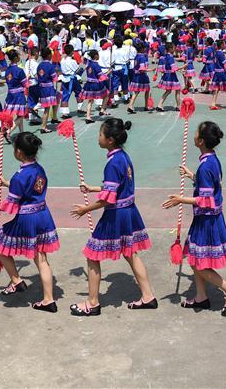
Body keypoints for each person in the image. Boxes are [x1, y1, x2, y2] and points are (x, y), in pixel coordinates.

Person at [70, 119, 156, 315]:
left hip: (116, 215)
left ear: (109, 140)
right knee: (131, 253)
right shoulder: (124, 157)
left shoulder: (112, 163)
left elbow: (109, 199)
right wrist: (94, 188)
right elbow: (117, 188)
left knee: (92, 255)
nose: (97, 138)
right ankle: (148, 296)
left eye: (100, 134)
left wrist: (86, 209)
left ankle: (92, 303)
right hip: (129, 212)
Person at [162, 121, 226, 315]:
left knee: (198, 261)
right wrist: (192, 175)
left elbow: (205, 199)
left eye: (196, 132)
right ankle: (201, 297)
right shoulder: (211, 160)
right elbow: (211, 186)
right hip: (207, 219)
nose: (194, 135)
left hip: (206, 221)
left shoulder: (206, 166)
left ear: (200, 140)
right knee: (193, 257)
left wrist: (180, 199)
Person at [0, 132, 60, 313]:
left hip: (27, 220)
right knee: (41, 259)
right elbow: (29, 189)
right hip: (43, 215)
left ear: (18, 152)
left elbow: (11, 205)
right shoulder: (39, 169)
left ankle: (16, 280)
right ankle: (48, 299)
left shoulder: (20, 176)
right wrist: (8, 184)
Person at [79, 49, 108, 123]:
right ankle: (102, 109)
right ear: (95, 56)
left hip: (89, 83)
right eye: (98, 54)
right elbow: (101, 77)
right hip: (96, 84)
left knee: (90, 100)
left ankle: (88, 116)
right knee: (106, 95)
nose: (99, 56)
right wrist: (108, 72)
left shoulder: (89, 64)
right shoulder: (96, 65)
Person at [35, 48, 59, 133]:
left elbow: (37, 76)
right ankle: (44, 127)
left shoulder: (39, 65)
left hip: (41, 88)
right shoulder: (50, 66)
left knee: (57, 98)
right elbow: (55, 78)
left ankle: (54, 118)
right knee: (47, 109)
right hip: (48, 88)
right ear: (49, 55)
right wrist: (56, 72)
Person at [209, 40, 226, 110]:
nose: (225, 45)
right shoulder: (221, 53)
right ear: (221, 45)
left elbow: (220, 62)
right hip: (222, 73)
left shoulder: (215, 52)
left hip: (216, 73)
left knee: (216, 88)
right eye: (224, 44)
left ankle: (213, 104)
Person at [126, 41, 152, 114]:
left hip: (136, 75)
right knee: (146, 90)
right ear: (143, 49)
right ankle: (146, 105)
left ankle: (131, 105)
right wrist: (150, 69)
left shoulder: (136, 56)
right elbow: (142, 69)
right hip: (142, 76)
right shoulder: (142, 57)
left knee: (136, 91)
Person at [156, 45, 182, 112]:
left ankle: (160, 104)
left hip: (167, 74)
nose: (174, 49)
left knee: (168, 91)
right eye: (173, 48)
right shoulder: (170, 57)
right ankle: (178, 106)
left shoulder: (166, 56)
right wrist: (181, 69)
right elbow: (173, 67)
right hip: (171, 75)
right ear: (170, 49)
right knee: (177, 89)